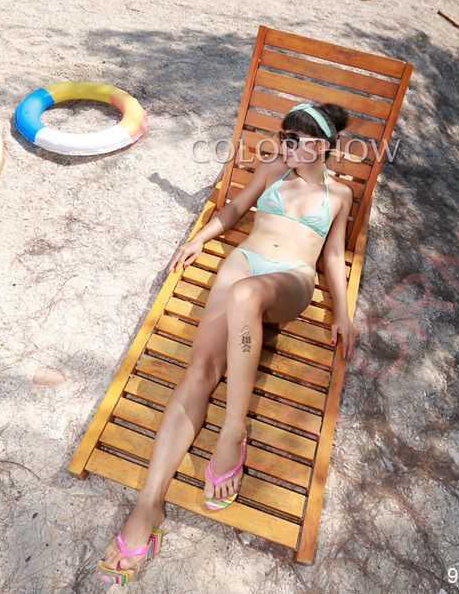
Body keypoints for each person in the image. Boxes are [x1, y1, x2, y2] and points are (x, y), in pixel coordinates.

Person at [100, 101, 357, 578]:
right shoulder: (272, 169)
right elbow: (236, 209)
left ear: (322, 146)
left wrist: (341, 312)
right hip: (245, 260)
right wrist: (200, 237)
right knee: (199, 370)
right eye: (283, 137)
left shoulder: (339, 194)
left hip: (289, 280)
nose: (285, 146)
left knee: (244, 295)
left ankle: (232, 431)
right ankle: (148, 503)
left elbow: (332, 257)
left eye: (296, 140)